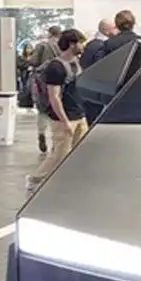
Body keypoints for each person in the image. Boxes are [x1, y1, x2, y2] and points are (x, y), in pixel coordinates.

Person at [27, 27, 87, 193]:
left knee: (77, 152)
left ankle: (67, 181)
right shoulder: (56, 67)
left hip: (79, 114)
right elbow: (54, 96)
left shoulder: (77, 63)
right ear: (71, 44)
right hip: (63, 118)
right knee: (59, 154)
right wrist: (64, 120)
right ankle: (35, 179)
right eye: (80, 43)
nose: (82, 46)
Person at [28, 26, 63, 155]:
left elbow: (33, 61)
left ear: (49, 33)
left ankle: (41, 134)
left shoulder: (42, 46)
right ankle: (55, 140)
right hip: (58, 81)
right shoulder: (62, 46)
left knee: (42, 110)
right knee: (56, 109)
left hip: (41, 82)